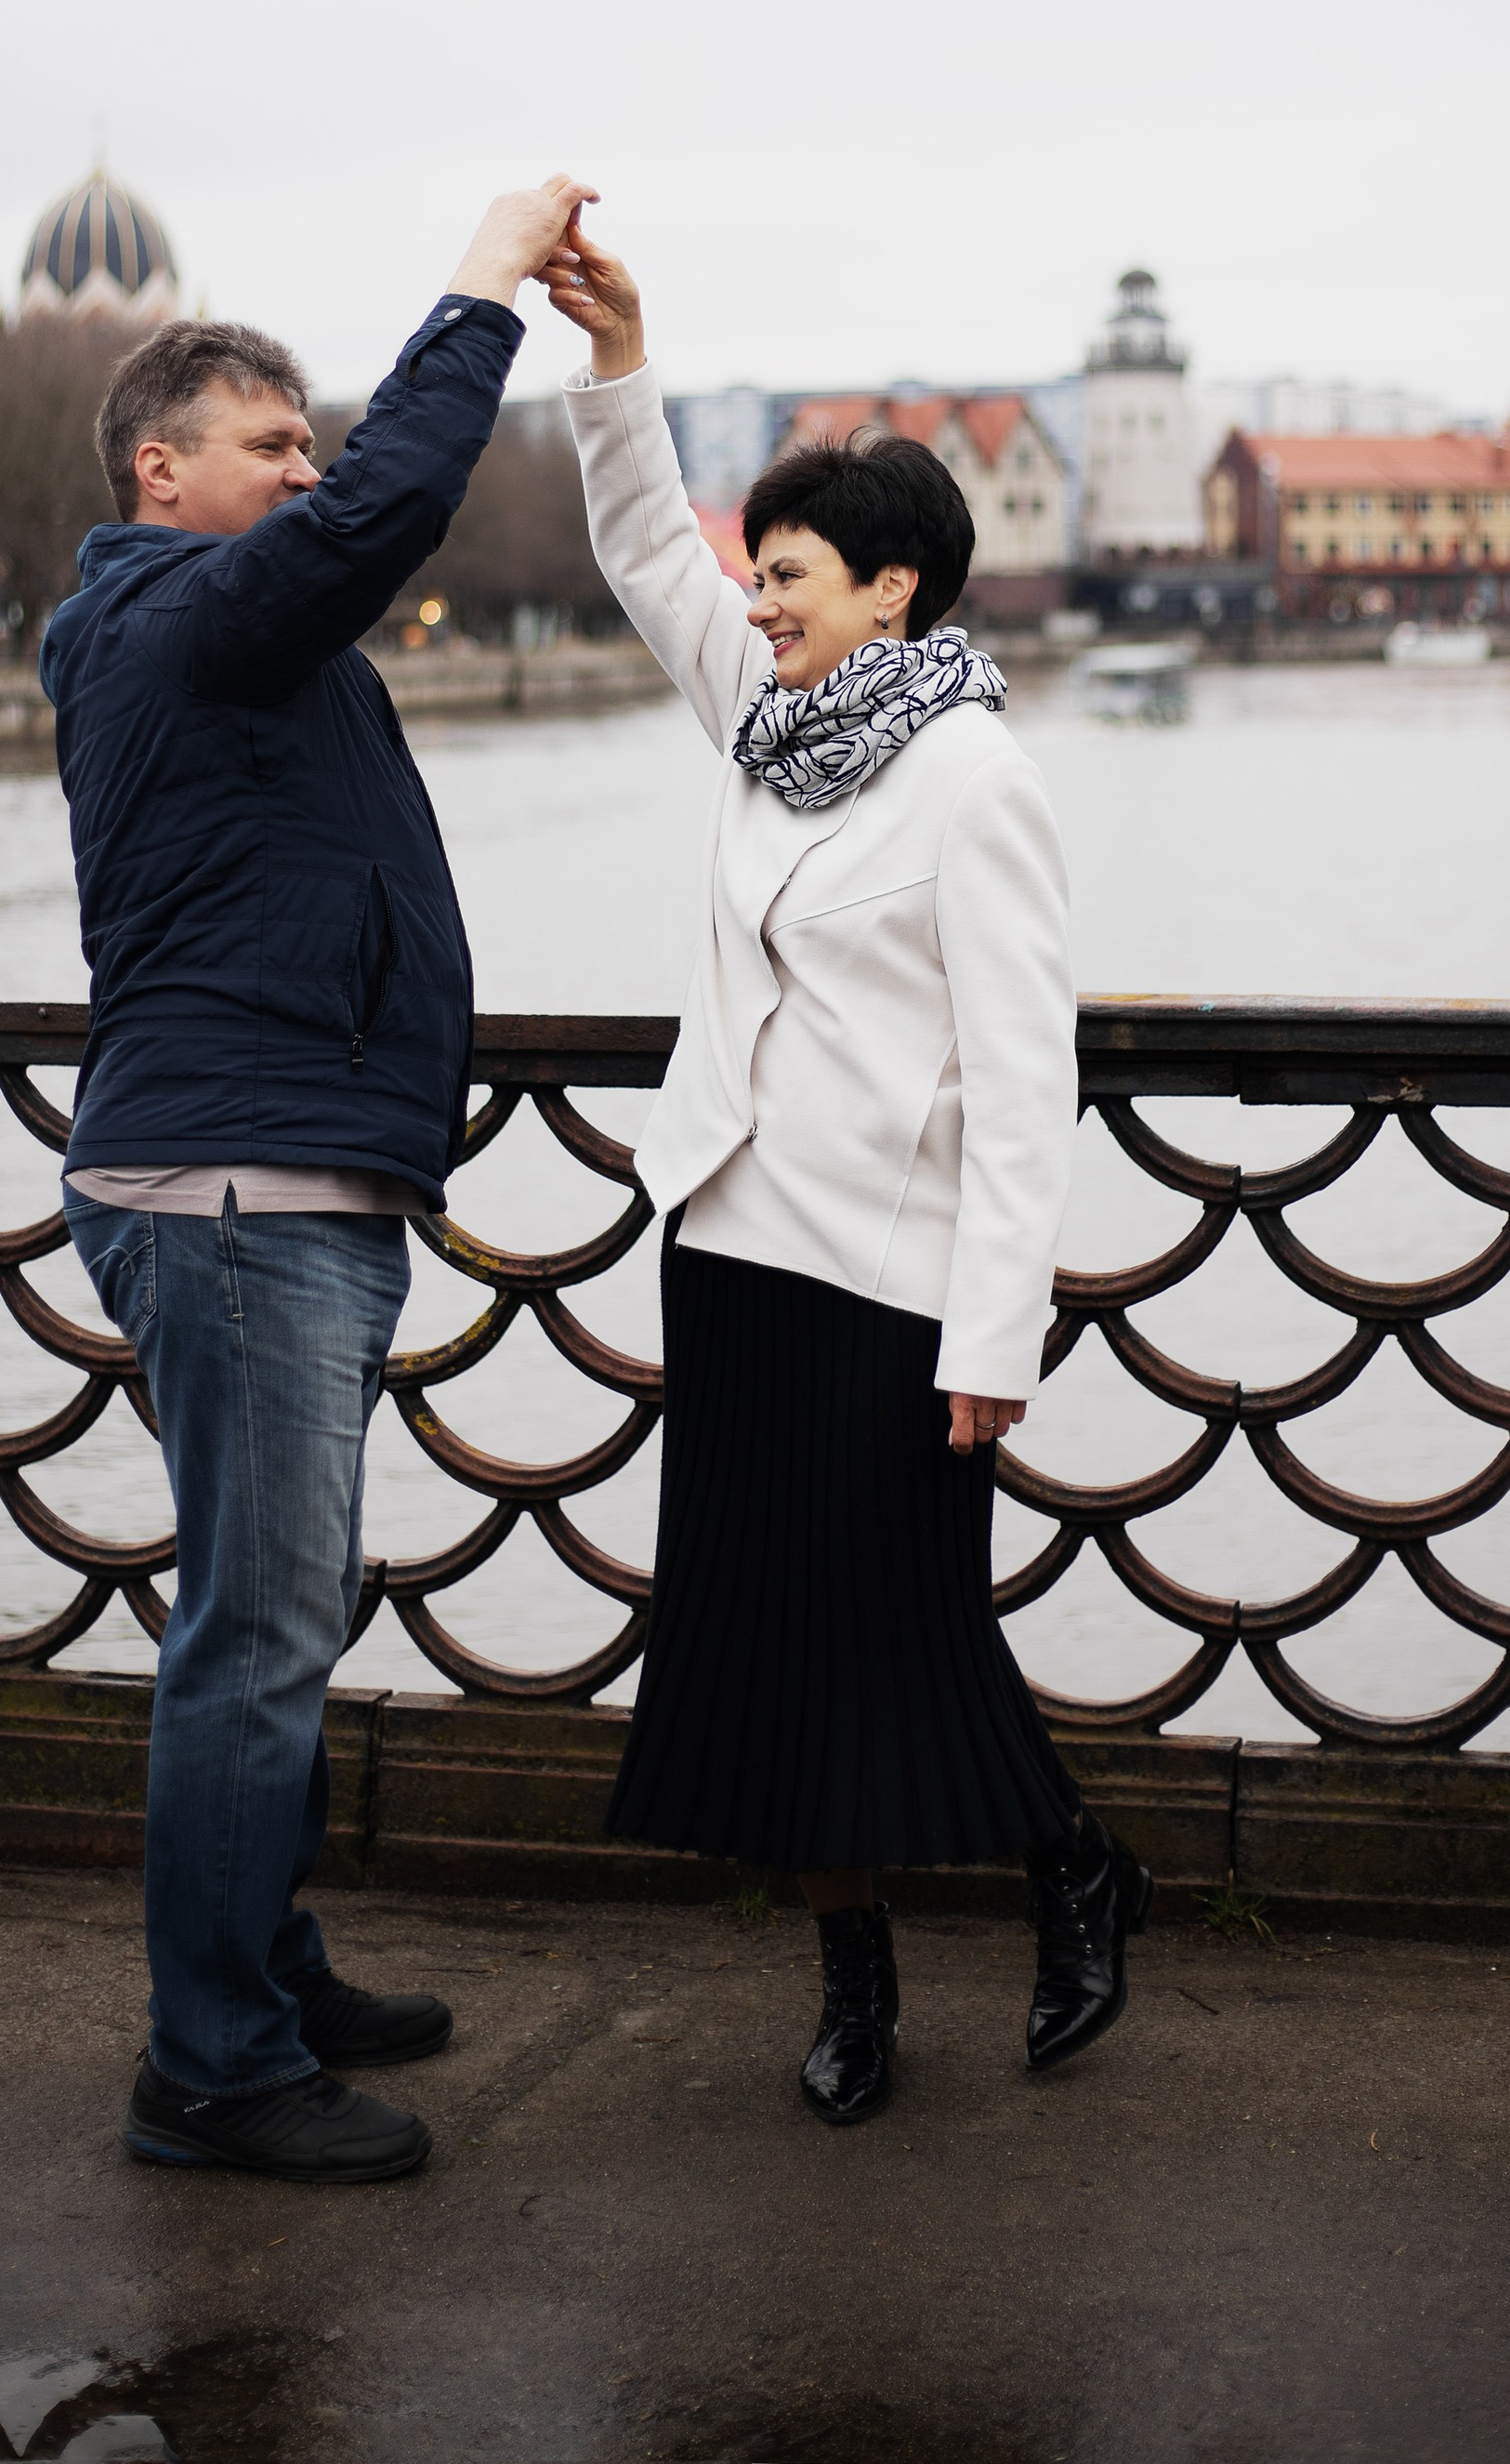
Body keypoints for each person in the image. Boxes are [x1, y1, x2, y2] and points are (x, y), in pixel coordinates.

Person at [544, 217, 1150, 2129]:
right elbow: (643, 543)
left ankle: (1068, 1866)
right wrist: (621, 352)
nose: (755, 597)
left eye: (788, 574)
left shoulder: (973, 780)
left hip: (890, 1291)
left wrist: (997, 1331)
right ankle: (853, 1989)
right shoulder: (764, 733)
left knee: (901, 1634)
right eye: (758, 572)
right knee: (758, 1641)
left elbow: (1023, 1077)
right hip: (727, 1250)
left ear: (891, 588)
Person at [44, 173, 592, 2186]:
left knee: (266, 1614)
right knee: (254, 1639)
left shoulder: (203, 629)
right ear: (156, 469)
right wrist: (480, 289)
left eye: (306, 438)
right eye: (270, 445)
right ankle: (211, 2066)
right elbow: (390, 512)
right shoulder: (183, 608)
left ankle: (259, 1967)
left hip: (269, 1174)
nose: (306, 471)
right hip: (237, 1188)